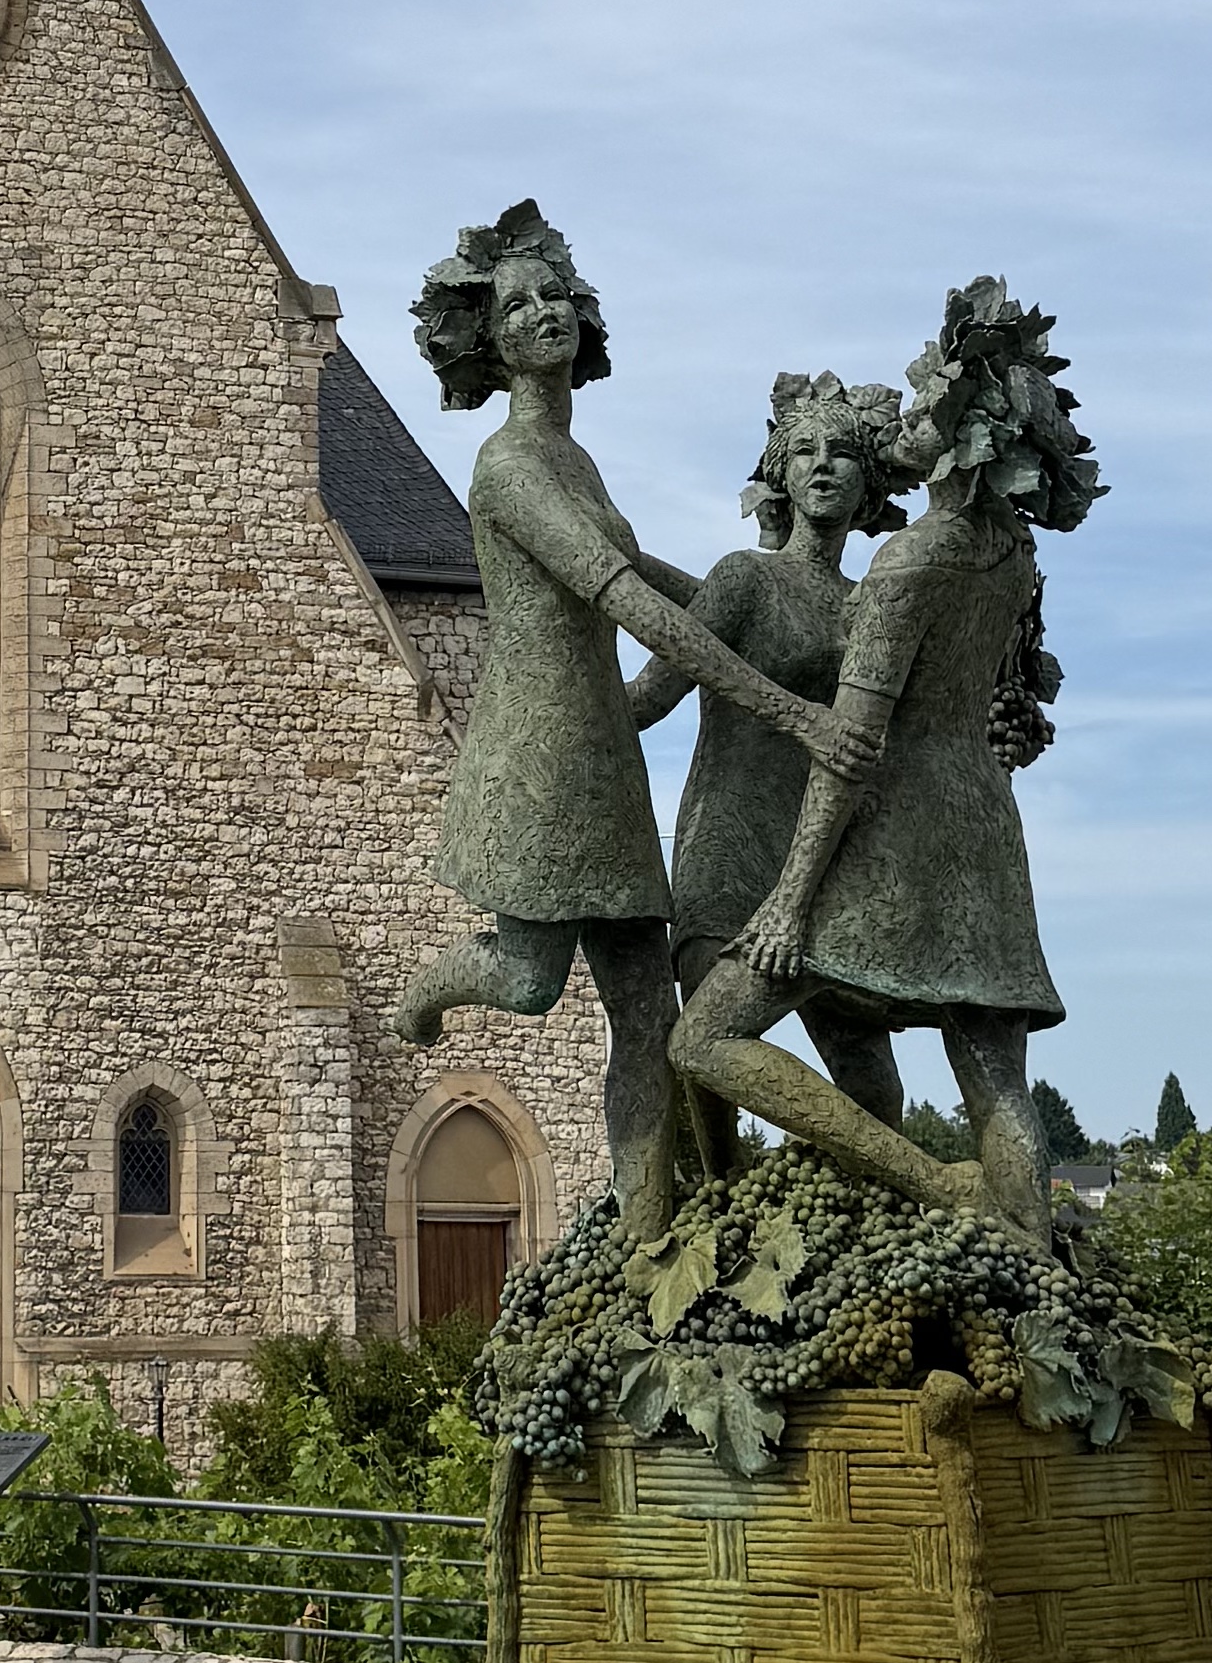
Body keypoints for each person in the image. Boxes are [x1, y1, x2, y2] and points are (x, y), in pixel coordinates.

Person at [396, 203, 845, 1222]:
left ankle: (646, 1236)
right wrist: (785, 706)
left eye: (557, 297)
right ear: (491, 340)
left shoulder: (576, 462)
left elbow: (659, 575)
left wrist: (767, 604)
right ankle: (429, 988)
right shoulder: (508, 466)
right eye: (521, 306)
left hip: (602, 756)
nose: (546, 313)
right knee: (527, 979)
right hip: (536, 759)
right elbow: (627, 601)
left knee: (648, 1019)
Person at [687, 273, 1097, 1244]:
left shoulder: (906, 564)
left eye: (923, 408)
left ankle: (932, 1186)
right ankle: (1033, 1276)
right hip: (987, 842)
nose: (905, 422)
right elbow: (1012, 704)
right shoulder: (1012, 556)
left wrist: (789, 899)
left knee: (702, 1034)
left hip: (894, 843)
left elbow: (853, 742)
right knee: (997, 1080)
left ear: (965, 434)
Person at [634, 370, 913, 1126]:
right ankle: (719, 1222)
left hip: (825, 863)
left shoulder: (875, 605)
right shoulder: (742, 580)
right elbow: (647, 700)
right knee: (710, 1068)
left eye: (842, 454)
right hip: (727, 848)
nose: (822, 465)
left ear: (868, 486)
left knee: (876, 1089)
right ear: (781, 478)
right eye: (804, 453)